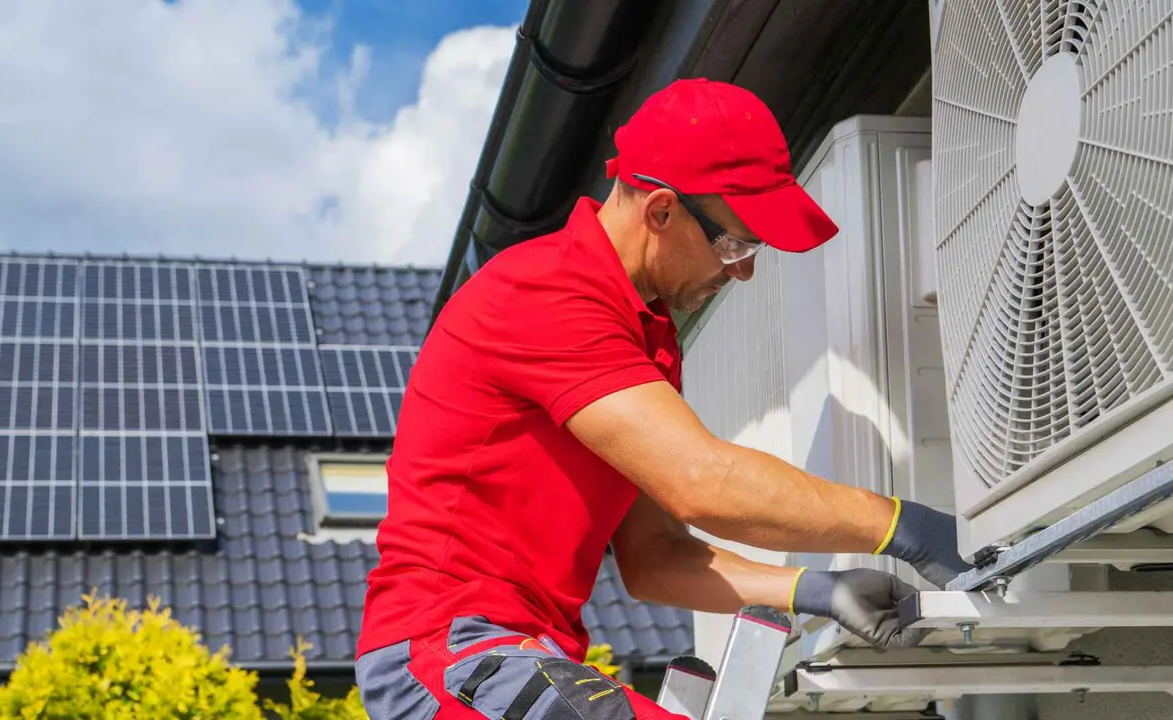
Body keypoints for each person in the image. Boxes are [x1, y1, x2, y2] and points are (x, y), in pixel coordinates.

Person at [354, 78, 973, 720]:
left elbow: (655, 557)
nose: (743, 269)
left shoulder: (644, 338)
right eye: (734, 242)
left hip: (524, 650)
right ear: (660, 211)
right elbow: (702, 482)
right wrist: (905, 527)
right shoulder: (549, 293)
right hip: (448, 652)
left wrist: (816, 588)